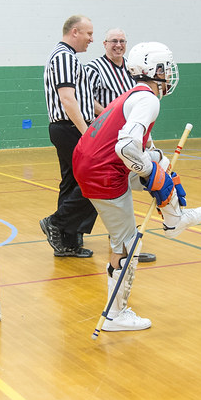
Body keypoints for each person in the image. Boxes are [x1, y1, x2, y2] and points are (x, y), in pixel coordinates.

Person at [73, 42, 201, 331]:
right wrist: (151, 174)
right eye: (166, 67)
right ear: (155, 70)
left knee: (160, 167)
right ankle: (115, 316)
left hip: (93, 163)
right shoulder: (149, 100)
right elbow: (125, 147)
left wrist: (157, 164)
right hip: (104, 171)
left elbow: (141, 144)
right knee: (128, 244)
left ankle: (175, 220)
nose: (170, 73)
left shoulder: (135, 94)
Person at [84, 28, 157, 263]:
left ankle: (125, 240)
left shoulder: (131, 70)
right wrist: (109, 116)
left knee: (131, 182)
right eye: (113, 41)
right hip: (104, 139)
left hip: (127, 136)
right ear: (104, 44)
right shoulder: (94, 68)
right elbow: (86, 97)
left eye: (122, 41)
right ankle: (122, 244)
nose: (118, 45)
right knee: (97, 189)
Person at [39, 15, 100, 258]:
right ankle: (56, 222)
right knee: (95, 177)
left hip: (71, 127)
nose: (91, 39)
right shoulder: (64, 56)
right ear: (75, 32)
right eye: (89, 34)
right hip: (70, 127)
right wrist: (87, 134)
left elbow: (82, 99)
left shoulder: (68, 57)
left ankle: (67, 240)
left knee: (72, 182)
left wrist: (107, 114)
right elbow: (67, 99)